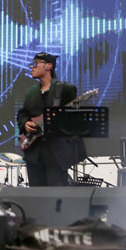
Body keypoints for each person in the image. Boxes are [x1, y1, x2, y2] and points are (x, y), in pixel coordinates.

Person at [17, 52, 87, 187]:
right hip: (34, 153)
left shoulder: (65, 89)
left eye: (36, 63)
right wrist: (25, 124)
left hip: (56, 152)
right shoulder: (30, 93)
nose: (32, 67)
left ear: (48, 66)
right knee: (36, 193)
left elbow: (75, 119)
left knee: (56, 193)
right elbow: (22, 113)